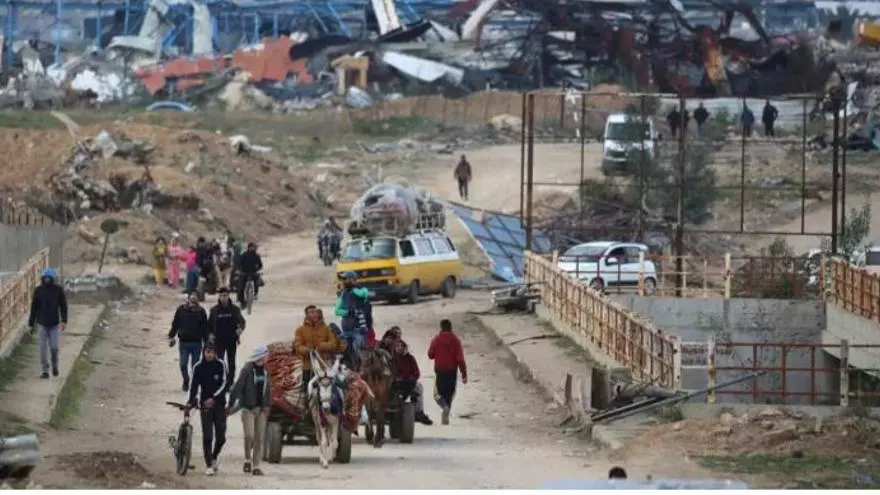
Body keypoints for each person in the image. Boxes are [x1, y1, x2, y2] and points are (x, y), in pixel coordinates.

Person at [228, 344, 271, 476]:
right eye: (266, 355)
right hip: (247, 408)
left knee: (259, 438)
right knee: (249, 436)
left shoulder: (265, 371)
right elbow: (238, 386)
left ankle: (256, 466)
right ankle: (247, 459)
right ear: (262, 356)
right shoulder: (247, 369)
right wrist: (231, 403)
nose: (267, 358)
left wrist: (267, 406)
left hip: (261, 409)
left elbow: (268, 390)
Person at [187, 341, 228, 476]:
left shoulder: (221, 364)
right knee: (208, 436)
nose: (209, 354)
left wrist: (214, 398)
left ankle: (214, 456)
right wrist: (191, 401)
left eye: (211, 352)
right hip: (205, 405)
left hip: (219, 405)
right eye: (207, 352)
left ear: (215, 353)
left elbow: (224, 384)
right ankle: (209, 464)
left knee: (221, 436)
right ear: (203, 352)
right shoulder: (198, 367)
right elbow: (193, 386)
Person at [27, 267, 68, 379]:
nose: (47, 280)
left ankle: (55, 365)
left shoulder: (58, 290)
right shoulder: (38, 290)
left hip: (54, 324)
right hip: (42, 324)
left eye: (50, 278)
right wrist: (31, 323)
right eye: (46, 278)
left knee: (54, 347)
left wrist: (64, 320)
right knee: (43, 349)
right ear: (43, 278)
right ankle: (45, 370)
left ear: (53, 279)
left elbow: (63, 306)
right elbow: (34, 308)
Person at [427, 319, 467, 425]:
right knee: (450, 394)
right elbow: (460, 359)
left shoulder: (436, 339)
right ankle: (447, 412)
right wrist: (464, 374)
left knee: (438, 394)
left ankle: (444, 407)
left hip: (440, 371)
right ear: (451, 327)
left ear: (441, 327)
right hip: (452, 371)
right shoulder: (456, 340)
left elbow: (430, 355)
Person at [293, 305, 340, 395]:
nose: (314, 314)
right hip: (309, 366)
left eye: (315, 312)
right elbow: (298, 347)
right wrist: (308, 350)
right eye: (311, 312)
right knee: (307, 391)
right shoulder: (300, 330)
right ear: (306, 315)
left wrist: (321, 346)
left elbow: (334, 343)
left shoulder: (325, 328)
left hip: (325, 366)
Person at [168, 293, 210, 391]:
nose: (193, 302)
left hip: (197, 343)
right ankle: (186, 380)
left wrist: (207, 343)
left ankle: (193, 384)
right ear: (188, 299)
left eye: (195, 299)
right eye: (191, 299)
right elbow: (175, 324)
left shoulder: (201, 311)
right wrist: (171, 336)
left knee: (195, 366)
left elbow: (205, 328)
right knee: (183, 364)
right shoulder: (181, 310)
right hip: (184, 343)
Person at [391, 339, 433, 425]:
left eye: (401, 346)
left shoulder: (410, 358)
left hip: (409, 382)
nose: (399, 348)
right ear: (394, 348)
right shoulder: (392, 359)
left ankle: (419, 412)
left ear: (404, 348)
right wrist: (397, 378)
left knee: (419, 387)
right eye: (397, 346)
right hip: (395, 383)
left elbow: (416, 373)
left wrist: (411, 378)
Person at [209, 287, 246, 384]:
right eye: (221, 296)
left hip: (231, 340)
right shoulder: (214, 310)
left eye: (225, 296)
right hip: (219, 340)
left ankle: (230, 382)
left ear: (228, 296)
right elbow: (209, 325)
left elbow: (242, 322)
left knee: (231, 362)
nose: (223, 298)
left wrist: (240, 329)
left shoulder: (234, 309)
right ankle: (220, 380)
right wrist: (210, 335)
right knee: (220, 361)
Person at [334, 271, 370, 370]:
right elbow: (337, 311)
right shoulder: (343, 294)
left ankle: (363, 370)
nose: (343, 281)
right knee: (341, 352)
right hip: (346, 329)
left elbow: (363, 294)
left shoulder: (362, 290)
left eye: (346, 279)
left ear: (353, 279)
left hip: (358, 329)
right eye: (343, 279)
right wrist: (348, 312)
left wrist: (352, 287)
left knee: (358, 350)